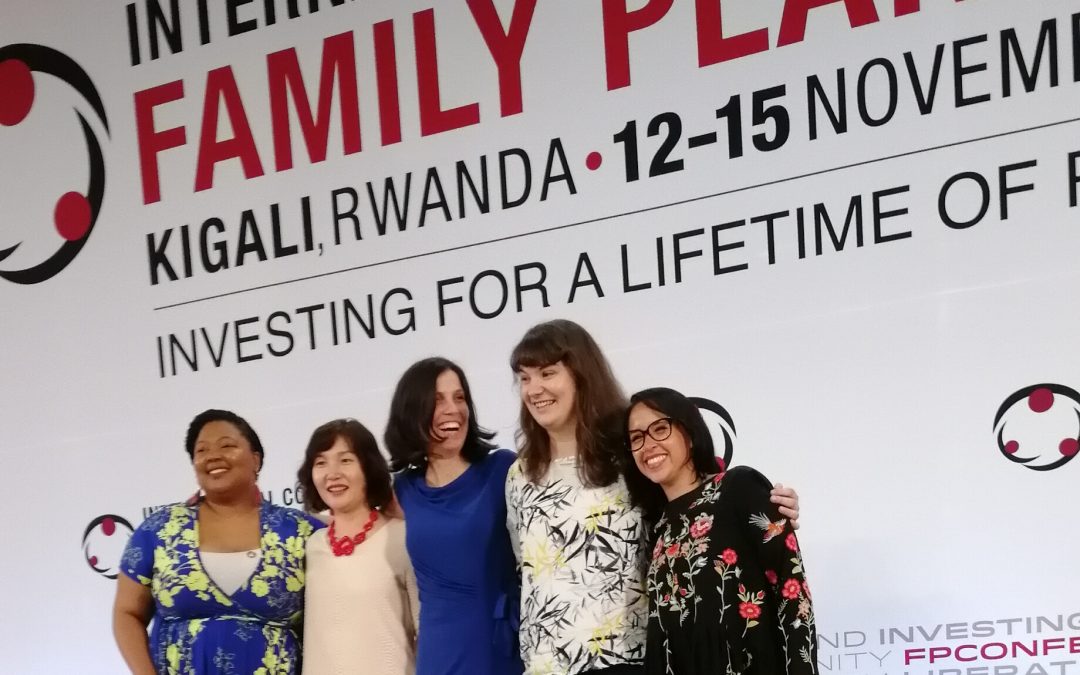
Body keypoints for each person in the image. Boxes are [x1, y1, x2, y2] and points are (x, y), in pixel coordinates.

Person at [505, 320, 801, 675]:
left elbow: (699, 507)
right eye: (524, 378)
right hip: (544, 665)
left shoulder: (629, 457)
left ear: (581, 375)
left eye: (547, 373)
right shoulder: (518, 475)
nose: (534, 389)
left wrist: (774, 510)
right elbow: (525, 570)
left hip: (623, 659)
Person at [623, 387, 818, 674]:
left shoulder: (739, 487)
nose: (648, 444)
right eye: (637, 438)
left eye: (660, 428)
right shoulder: (656, 528)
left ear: (689, 434)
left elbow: (793, 592)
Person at [113, 409, 323, 675]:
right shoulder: (159, 530)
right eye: (201, 451)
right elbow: (126, 612)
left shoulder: (302, 531)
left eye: (227, 445)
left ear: (255, 460)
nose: (213, 456)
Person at [385, 357, 524, 675]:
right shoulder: (403, 487)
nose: (453, 409)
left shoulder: (502, 469)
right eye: (438, 400)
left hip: (497, 647)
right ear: (412, 411)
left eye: (459, 398)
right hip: (438, 653)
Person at [298, 418, 418, 675]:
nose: (332, 473)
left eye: (345, 460)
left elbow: (427, 633)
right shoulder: (311, 545)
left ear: (368, 467)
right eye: (321, 462)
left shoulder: (403, 537)